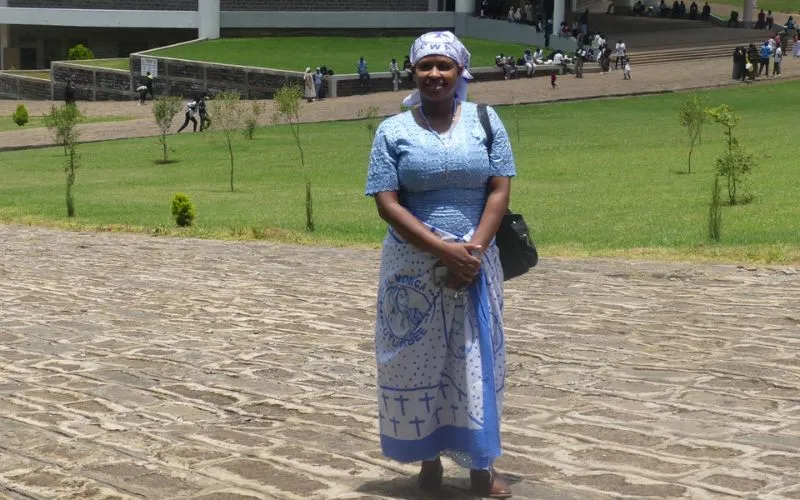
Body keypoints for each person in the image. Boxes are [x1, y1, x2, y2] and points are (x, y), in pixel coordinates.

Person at [365, 30, 516, 500]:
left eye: (443, 65)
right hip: (412, 265)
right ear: (412, 71)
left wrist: (471, 251)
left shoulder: (486, 121)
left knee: (476, 359)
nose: (434, 74)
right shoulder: (392, 131)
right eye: (425, 66)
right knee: (416, 362)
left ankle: (481, 466)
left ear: (460, 72)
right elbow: (387, 203)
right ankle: (427, 460)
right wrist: (442, 250)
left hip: (476, 260)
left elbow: (499, 189)